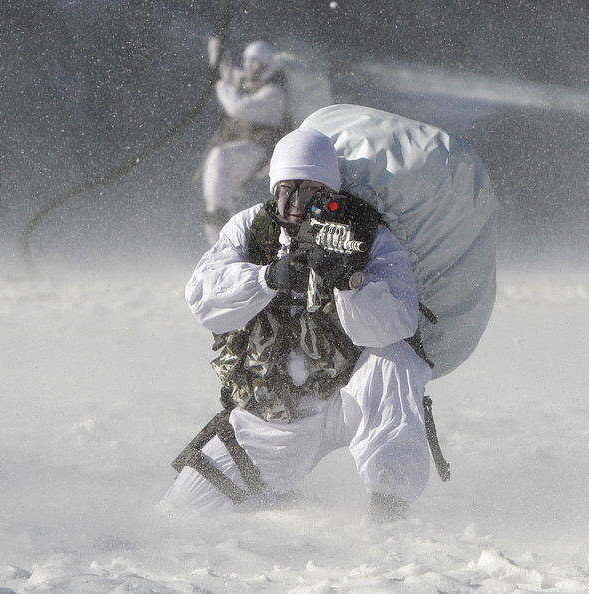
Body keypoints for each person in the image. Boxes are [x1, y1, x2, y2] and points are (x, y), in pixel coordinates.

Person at [164, 127, 434, 522]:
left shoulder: (366, 235)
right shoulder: (251, 228)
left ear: (330, 192)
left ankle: (389, 503)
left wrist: (348, 283)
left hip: (347, 397)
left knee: (394, 359)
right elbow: (205, 299)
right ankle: (277, 500)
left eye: (310, 189)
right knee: (180, 515)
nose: (295, 201)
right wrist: (268, 278)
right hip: (276, 413)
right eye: (286, 187)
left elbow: (395, 325)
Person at [200, 40, 291, 244]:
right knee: (222, 185)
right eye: (248, 63)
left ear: (267, 66)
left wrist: (221, 86)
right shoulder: (249, 84)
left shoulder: (274, 93)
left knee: (219, 158)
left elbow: (238, 107)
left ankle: (217, 225)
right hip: (247, 150)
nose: (251, 69)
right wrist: (217, 43)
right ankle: (221, 230)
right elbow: (225, 70)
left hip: (262, 152)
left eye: (256, 64)